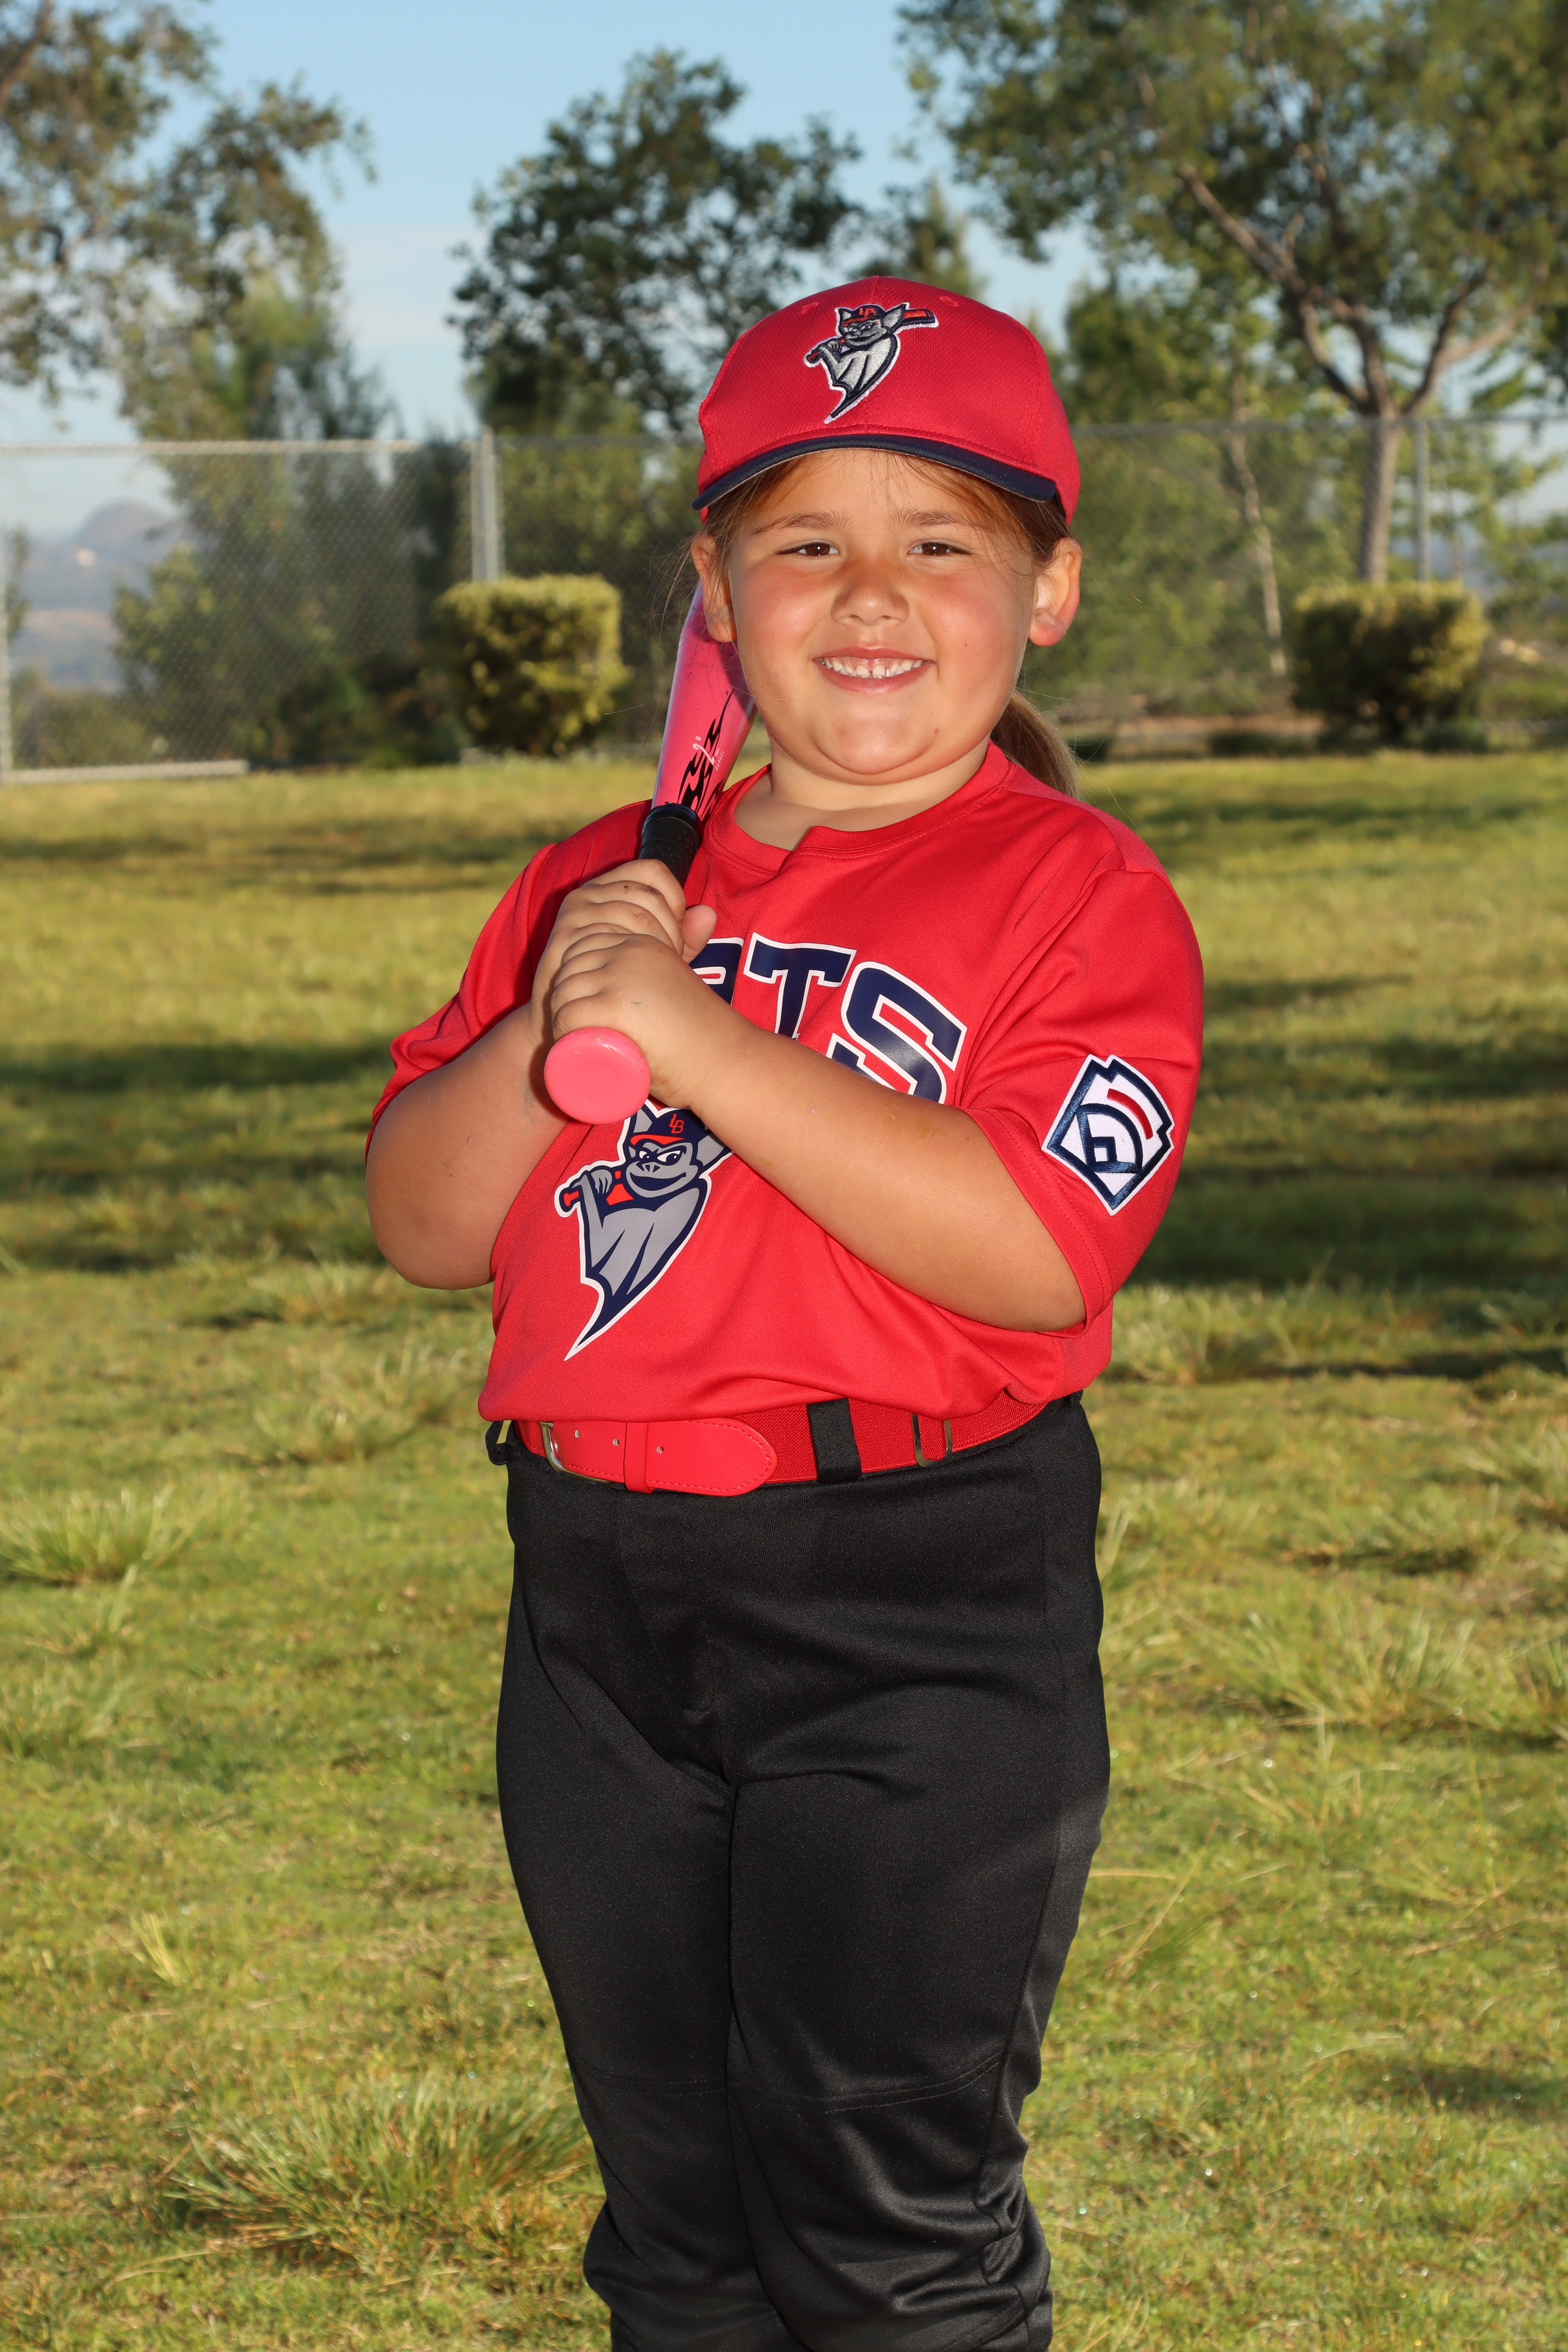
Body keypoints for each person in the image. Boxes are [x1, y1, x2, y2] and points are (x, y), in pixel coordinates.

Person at [366, 277, 1203, 2352]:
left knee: (881, 2222)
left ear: (1048, 591)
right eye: (805, 540)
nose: (871, 594)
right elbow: (423, 1222)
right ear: (717, 593)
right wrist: (564, 1008)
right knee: (677, 2223)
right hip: (594, 1595)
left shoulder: (1076, 891)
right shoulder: (597, 882)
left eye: (944, 541)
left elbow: (1032, 1247)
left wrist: (695, 1039)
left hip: (913, 1596)